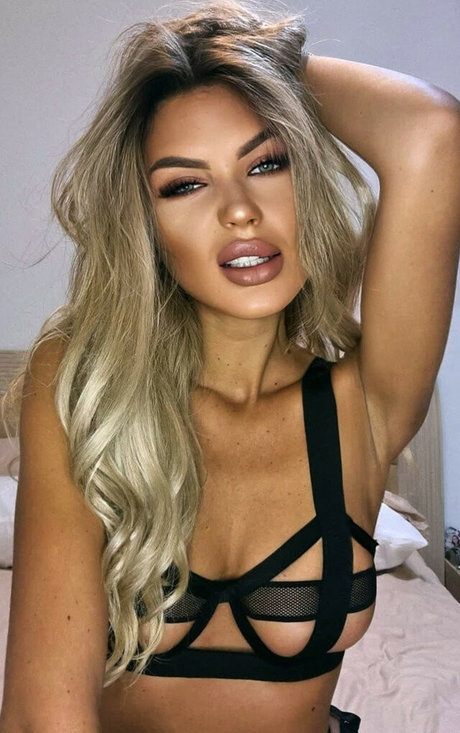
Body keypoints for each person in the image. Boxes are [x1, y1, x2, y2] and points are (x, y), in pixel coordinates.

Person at [1, 1, 459, 731]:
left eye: (266, 163)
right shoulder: (84, 384)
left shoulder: (363, 403)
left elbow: (431, 131)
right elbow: (42, 716)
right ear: (147, 226)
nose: (240, 210)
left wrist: (247, 61)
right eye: (185, 184)